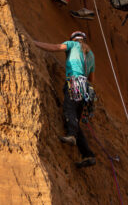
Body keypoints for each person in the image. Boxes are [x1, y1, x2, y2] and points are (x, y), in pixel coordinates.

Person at [33, 31, 97, 168]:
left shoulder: (72, 45)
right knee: (75, 118)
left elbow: (56, 48)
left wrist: (35, 43)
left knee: (69, 109)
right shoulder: (91, 55)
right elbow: (92, 79)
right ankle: (88, 154)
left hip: (74, 83)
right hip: (85, 89)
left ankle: (71, 136)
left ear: (74, 39)